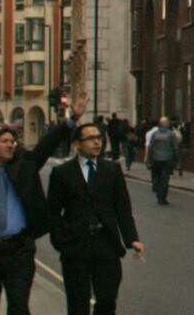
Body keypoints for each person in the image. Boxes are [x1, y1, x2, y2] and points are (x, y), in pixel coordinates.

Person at [0, 100, 79, 315]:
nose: (11, 145)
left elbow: (46, 145)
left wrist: (71, 121)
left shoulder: (24, 168)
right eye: (4, 141)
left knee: (19, 306)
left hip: (17, 250)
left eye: (13, 141)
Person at [46, 121, 142, 315]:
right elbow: (53, 212)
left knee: (107, 301)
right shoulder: (62, 173)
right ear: (77, 144)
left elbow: (123, 209)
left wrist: (132, 239)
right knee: (78, 304)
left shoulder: (112, 170)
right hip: (76, 247)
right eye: (91, 138)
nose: (97, 142)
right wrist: (60, 242)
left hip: (106, 245)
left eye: (99, 138)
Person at [141, 117, 180, 206]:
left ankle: (159, 194)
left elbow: (150, 147)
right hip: (167, 160)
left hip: (156, 159)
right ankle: (162, 198)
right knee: (165, 179)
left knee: (158, 178)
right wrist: (177, 160)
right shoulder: (171, 134)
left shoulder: (155, 134)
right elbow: (175, 148)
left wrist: (149, 159)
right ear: (168, 124)